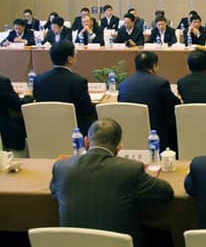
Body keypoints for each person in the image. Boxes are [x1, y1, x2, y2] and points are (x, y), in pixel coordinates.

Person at [50, 119, 174, 247]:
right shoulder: (130, 169)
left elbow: (54, 193)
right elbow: (166, 192)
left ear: (86, 142)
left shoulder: (61, 167)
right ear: (119, 146)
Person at [118, 52, 181, 152]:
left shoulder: (123, 84)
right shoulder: (160, 83)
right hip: (156, 133)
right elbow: (175, 105)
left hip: (130, 132)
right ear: (154, 66)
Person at [33, 41, 97, 135]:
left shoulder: (38, 80)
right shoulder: (78, 81)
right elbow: (87, 110)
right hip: (74, 133)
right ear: (70, 59)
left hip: (45, 131)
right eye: (75, 52)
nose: (77, 53)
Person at [0, 74, 31, 152]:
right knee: (30, 121)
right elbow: (18, 105)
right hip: (4, 132)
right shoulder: (2, 82)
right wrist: (28, 97)